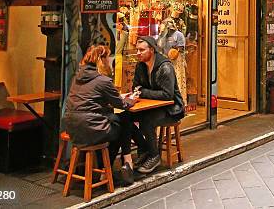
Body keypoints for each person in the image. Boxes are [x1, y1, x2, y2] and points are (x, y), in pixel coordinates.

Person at [62, 45, 138, 184]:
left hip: (72, 127)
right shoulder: (103, 81)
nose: (109, 61)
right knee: (124, 122)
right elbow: (121, 105)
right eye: (108, 58)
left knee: (117, 122)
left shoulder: (77, 77)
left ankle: (110, 167)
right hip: (91, 128)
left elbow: (90, 100)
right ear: (101, 60)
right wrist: (131, 99)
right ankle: (121, 163)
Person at [131, 36, 185, 174]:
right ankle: (144, 150)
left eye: (142, 50)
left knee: (147, 121)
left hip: (171, 110)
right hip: (152, 107)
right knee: (125, 118)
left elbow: (167, 95)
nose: (138, 53)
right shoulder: (140, 66)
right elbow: (135, 87)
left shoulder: (165, 67)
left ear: (152, 50)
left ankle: (154, 156)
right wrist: (140, 92)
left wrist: (143, 92)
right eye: (137, 50)